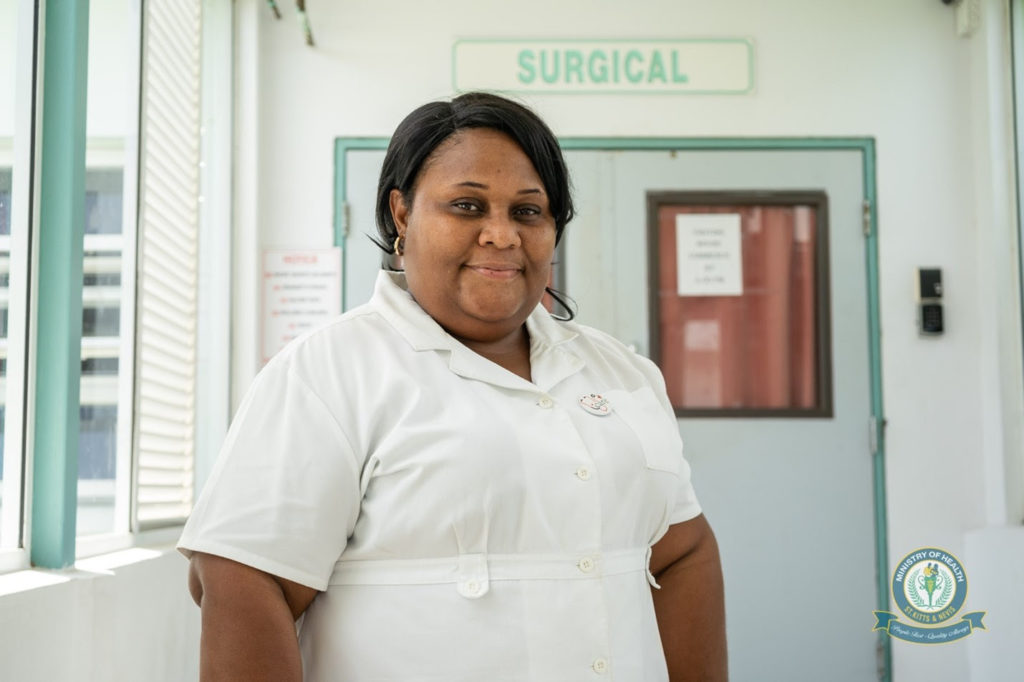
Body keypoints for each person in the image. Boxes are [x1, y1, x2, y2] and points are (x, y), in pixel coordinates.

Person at [178, 91, 727, 681]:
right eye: (467, 206)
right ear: (402, 214)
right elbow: (243, 579)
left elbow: (682, 550)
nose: (502, 235)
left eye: (528, 212)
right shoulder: (328, 373)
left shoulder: (621, 372)